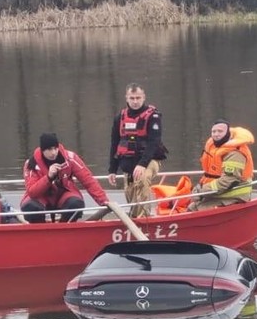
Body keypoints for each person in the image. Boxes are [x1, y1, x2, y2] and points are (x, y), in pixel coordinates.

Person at [108, 83, 167, 218]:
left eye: (138, 98)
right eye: (132, 98)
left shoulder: (153, 117)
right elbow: (115, 143)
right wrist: (112, 169)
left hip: (149, 160)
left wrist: (142, 164)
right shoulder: (120, 118)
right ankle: (134, 218)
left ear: (144, 97)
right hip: (128, 162)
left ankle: (144, 218)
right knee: (130, 194)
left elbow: (154, 142)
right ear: (127, 98)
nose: (135, 101)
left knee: (141, 179)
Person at [21, 133, 110, 223]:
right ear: (42, 150)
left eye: (55, 148)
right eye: (49, 149)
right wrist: (48, 177)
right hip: (42, 196)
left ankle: (65, 227)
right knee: (30, 207)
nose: (53, 152)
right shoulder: (31, 164)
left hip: (63, 192)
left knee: (75, 204)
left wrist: (104, 201)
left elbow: (88, 180)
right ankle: (39, 230)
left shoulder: (70, 158)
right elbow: (32, 192)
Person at [189, 120, 256, 212]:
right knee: (191, 206)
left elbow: (228, 180)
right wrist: (199, 189)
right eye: (214, 131)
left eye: (220, 131)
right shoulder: (214, 147)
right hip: (219, 192)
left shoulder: (235, 153)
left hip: (233, 194)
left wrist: (202, 191)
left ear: (228, 133)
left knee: (197, 209)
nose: (216, 134)